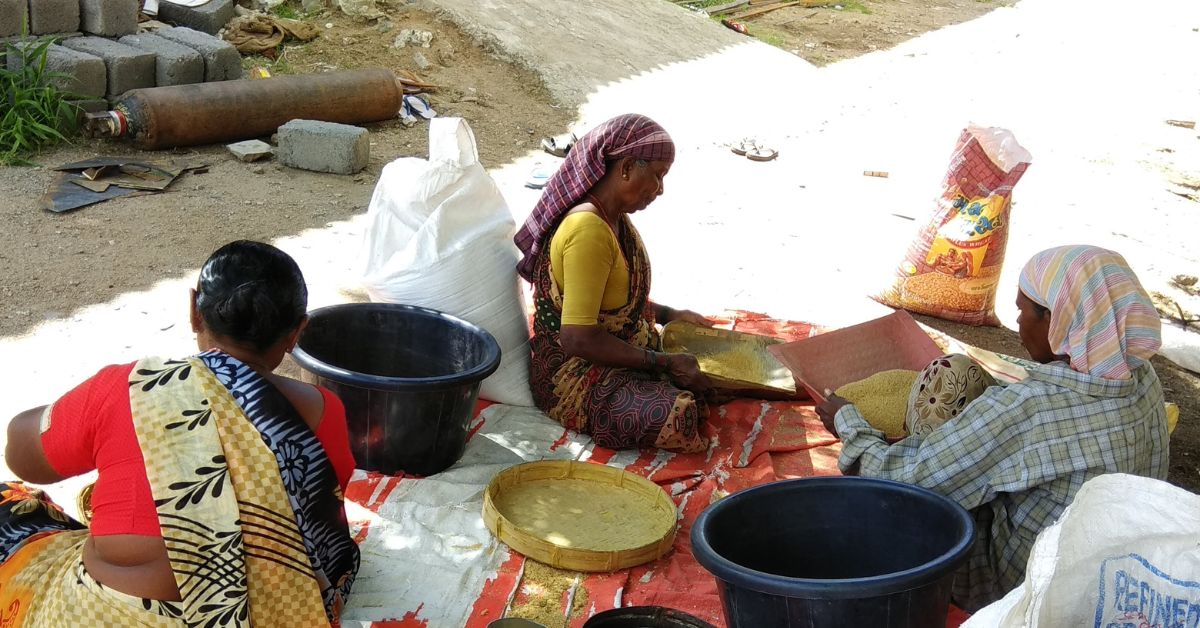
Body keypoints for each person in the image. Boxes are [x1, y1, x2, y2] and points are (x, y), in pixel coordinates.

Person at [1, 240, 359, 626]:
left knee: (15, 508)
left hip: (105, 616)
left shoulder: (130, 389)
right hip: (271, 614)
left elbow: (23, 460)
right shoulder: (323, 411)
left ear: (194, 311)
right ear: (295, 334)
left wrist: (78, 412)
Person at [817, 245, 1169, 612]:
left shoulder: (1029, 409)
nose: (1017, 324)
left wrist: (849, 422)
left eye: (1022, 311)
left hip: (1018, 590)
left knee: (896, 505)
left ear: (1055, 319)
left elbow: (902, 483)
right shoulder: (1143, 378)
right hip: (1109, 578)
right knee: (962, 390)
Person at [515, 114, 713, 453]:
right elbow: (577, 337)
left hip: (613, 355)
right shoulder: (587, 231)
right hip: (574, 376)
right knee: (680, 415)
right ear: (625, 168)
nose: (660, 190)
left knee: (710, 372)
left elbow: (614, 305)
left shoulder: (614, 221)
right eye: (658, 175)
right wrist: (661, 362)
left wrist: (668, 314)